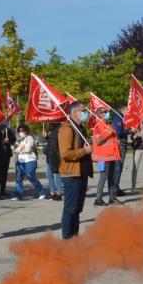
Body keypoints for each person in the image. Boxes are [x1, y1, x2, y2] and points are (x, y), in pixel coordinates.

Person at [59, 102, 93, 239]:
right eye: (83, 111)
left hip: (81, 173)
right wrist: (84, 151)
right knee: (71, 208)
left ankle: (75, 236)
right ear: (74, 113)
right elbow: (66, 154)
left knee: (77, 209)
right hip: (71, 174)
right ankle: (67, 238)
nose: (86, 113)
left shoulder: (80, 128)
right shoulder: (67, 129)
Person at [93, 107, 124, 206]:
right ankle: (98, 199)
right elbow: (98, 141)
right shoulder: (98, 126)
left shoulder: (108, 125)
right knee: (104, 177)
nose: (107, 113)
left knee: (112, 177)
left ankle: (112, 198)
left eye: (107, 112)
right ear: (99, 114)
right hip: (104, 157)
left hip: (113, 155)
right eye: (105, 112)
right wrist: (109, 135)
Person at [13, 124, 47, 200]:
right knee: (19, 178)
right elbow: (16, 150)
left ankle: (42, 192)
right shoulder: (20, 140)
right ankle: (17, 195)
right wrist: (19, 149)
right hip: (20, 160)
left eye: (23, 130)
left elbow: (28, 149)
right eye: (19, 131)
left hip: (30, 160)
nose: (21, 132)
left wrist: (21, 149)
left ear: (26, 131)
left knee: (30, 175)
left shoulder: (30, 138)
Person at [44, 122, 64, 201]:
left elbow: (55, 143)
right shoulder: (49, 130)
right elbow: (49, 143)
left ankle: (58, 193)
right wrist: (46, 137)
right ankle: (52, 192)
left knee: (56, 174)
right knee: (49, 174)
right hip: (50, 156)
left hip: (56, 155)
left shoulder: (59, 129)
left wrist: (48, 137)